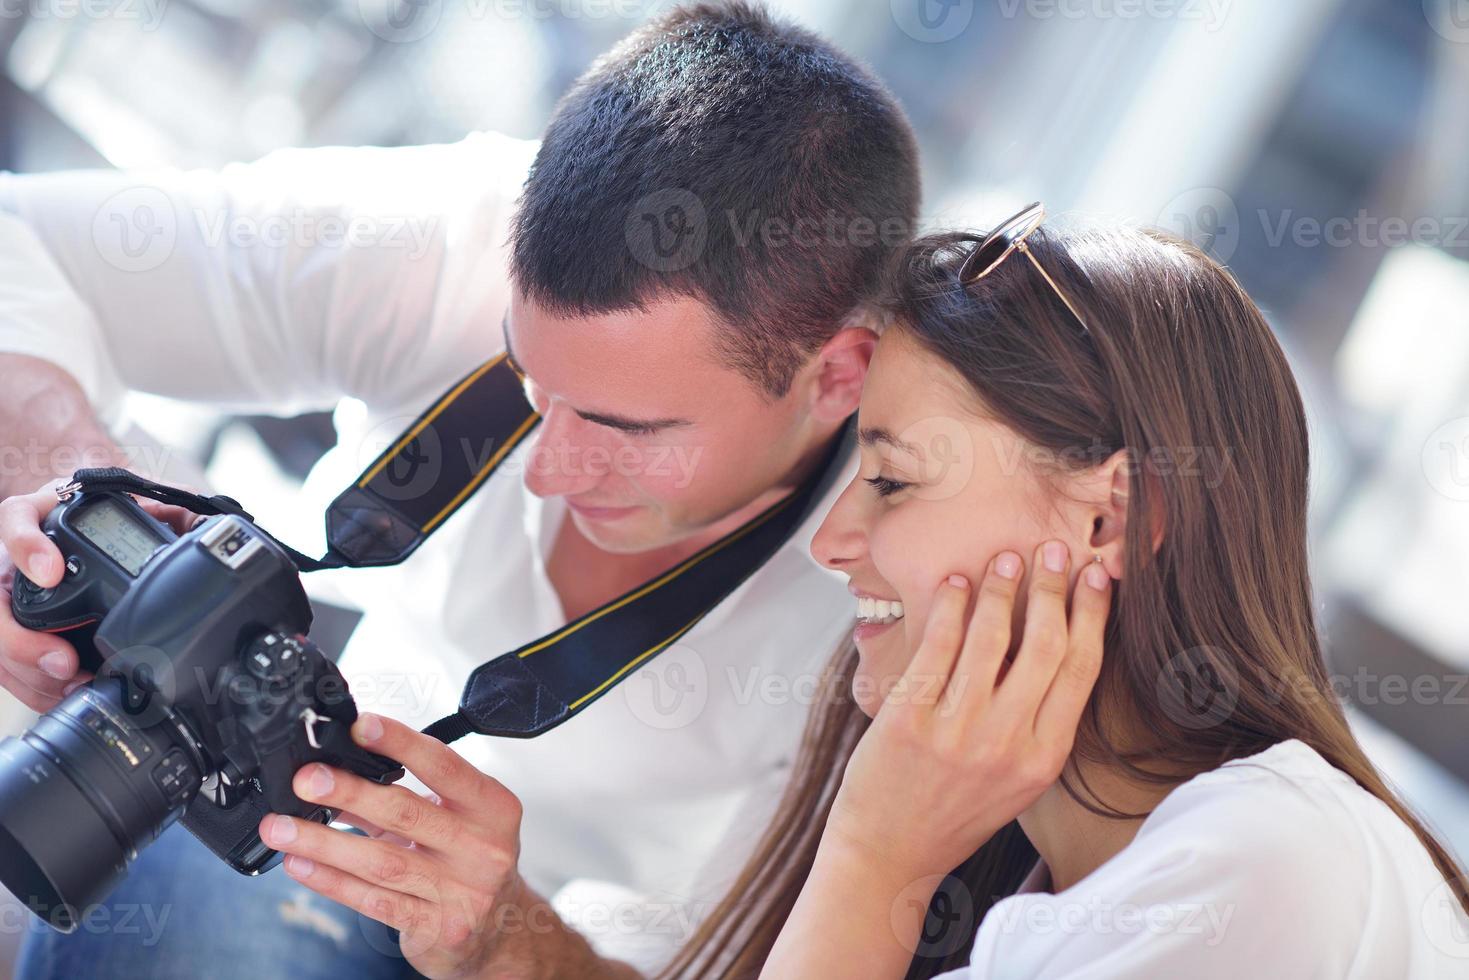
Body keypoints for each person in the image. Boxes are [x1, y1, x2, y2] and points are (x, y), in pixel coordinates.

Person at [0, 3, 920, 977]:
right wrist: (72, 489)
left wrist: (504, 938)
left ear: (836, 378)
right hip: (300, 807)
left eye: (624, 428)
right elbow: (19, 239)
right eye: (527, 380)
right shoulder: (458, 236)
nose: (549, 467)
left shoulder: (891, 598)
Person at [658, 211, 1469, 978]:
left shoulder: (1263, 862)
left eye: (892, 480)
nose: (829, 542)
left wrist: (873, 862)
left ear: (1108, 518)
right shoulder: (1072, 880)